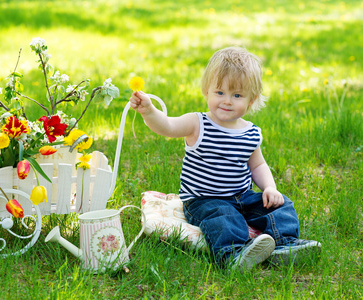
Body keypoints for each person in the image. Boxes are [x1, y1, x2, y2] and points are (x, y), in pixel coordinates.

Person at [129, 46, 321, 270]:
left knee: (280, 206)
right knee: (224, 217)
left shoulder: (250, 132)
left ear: (251, 100)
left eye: (237, 95)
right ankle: (234, 255)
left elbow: (258, 164)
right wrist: (149, 112)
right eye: (220, 92)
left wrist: (270, 187)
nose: (227, 101)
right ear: (206, 91)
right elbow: (167, 126)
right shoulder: (197, 123)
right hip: (204, 200)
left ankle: (285, 246)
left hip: (242, 196)